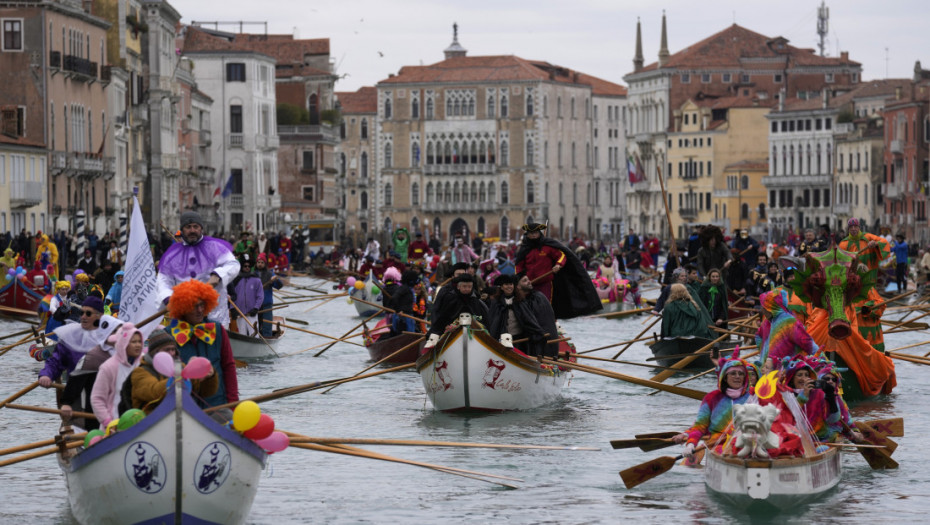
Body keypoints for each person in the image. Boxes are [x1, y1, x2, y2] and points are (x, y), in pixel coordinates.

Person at [156, 211, 240, 329]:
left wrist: (217, 275)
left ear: (201, 228)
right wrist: (169, 298)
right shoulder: (172, 255)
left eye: (196, 227)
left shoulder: (215, 248)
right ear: (182, 230)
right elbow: (163, 280)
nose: (192, 230)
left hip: (214, 319)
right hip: (184, 319)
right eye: (188, 227)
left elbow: (233, 264)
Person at [165, 279, 238, 408]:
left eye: (202, 305)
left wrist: (233, 403)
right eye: (194, 306)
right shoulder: (168, 335)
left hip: (218, 404)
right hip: (184, 407)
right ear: (183, 307)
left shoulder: (218, 330)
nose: (199, 310)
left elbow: (229, 366)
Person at [672, 350, 751, 457]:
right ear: (725, 377)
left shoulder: (753, 396)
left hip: (747, 442)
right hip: (718, 444)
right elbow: (699, 427)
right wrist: (691, 444)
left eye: (741, 374)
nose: (737, 376)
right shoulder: (711, 398)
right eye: (733, 373)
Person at [514, 223, 601, 318]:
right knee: (528, 307)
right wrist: (519, 280)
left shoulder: (548, 246)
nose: (534, 235)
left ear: (539, 233)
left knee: (544, 306)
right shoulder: (524, 249)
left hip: (545, 283)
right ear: (527, 235)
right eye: (531, 233)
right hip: (529, 284)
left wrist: (558, 265)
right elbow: (518, 266)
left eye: (535, 232)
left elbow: (562, 256)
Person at [125, 328, 218, 414]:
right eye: (167, 350)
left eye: (173, 349)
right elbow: (153, 391)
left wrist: (208, 376)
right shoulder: (140, 372)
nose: (171, 353)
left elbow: (204, 392)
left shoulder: (180, 367)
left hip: (182, 416)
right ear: (155, 352)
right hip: (153, 422)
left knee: (225, 413)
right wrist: (179, 378)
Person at [488, 274, 559, 358]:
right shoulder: (496, 303)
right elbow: (493, 323)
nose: (509, 287)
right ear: (502, 287)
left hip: (520, 341)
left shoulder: (520, 301)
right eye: (506, 284)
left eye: (511, 284)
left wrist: (538, 333)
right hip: (503, 341)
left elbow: (529, 319)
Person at [90, 323, 145, 427]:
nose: (138, 345)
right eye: (133, 342)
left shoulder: (144, 362)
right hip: (116, 424)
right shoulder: (108, 367)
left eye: (139, 341)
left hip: (141, 421)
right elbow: (97, 398)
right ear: (123, 344)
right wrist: (107, 422)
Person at [423, 274, 489, 348]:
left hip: (473, 332)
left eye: (469, 287)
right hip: (451, 331)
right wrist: (447, 326)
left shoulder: (475, 300)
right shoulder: (450, 298)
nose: (467, 289)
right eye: (464, 286)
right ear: (458, 287)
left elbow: (481, 318)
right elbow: (443, 317)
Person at [755, 290, 819, 366]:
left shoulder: (790, 323)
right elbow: (758, 336)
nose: (762, 310)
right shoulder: (767, 322)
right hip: (767, 370)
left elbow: (809, 344)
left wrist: (821, 362)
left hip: (785, 371)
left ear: (772, 308)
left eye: (764, 307)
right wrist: (763, 352)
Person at [228, 257, 264, 336]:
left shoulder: (257, 280)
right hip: (239, 313)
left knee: (255, 334)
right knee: (242, 334)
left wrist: (256, 308)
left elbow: (260, 296)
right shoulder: (235, 280)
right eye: (245, 266)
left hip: (251, 313)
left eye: (248, 266)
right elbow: (230, 296)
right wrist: (232, 308)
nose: (247, 267)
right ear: (242, 267)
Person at [255, 254, 284, 337]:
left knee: (267, 327)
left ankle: (267, 338)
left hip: (266, 305)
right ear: (256, 263)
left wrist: (276, 279)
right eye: (259, 262)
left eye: (262, 262)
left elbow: (279, 286)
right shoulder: (252, 274)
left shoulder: (270, 274)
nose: (260, 264)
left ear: (265, 264)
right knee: (255, 326)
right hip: (255, 306)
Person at [383, 268, 418, 336]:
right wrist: (398, 311)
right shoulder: (403, 288)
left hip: (409, 316)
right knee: (407, 336)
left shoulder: (408, 288)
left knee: (412, 335)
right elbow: (393, 299)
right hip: (403, 317)